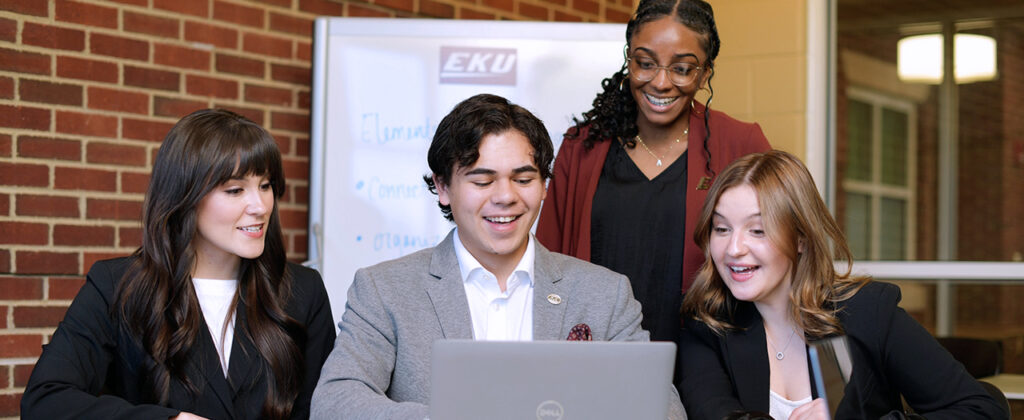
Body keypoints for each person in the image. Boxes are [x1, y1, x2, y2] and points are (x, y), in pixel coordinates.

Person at [310, 94, 685, 419]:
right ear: (442, 187)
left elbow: (663, 409)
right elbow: (335, 402)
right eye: (482, 180)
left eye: (523, 179)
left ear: (543, 186)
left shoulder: (605, 294)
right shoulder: (384, 290)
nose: (505, 196)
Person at [21, 109, 337, 420]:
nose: (260, 206)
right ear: (185, 195)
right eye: (235, 190)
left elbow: (323, 410)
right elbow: (46, 401)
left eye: (266, 185)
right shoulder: (117, 286)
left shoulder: (303, 290)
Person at [676, 150, 1008, 419]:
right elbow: (713, 409)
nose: (733, 248)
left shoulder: (868, 312)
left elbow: (983, 408)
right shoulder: (707, 325)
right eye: (721, 229)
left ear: (801, 239)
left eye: (758, 230)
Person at [536, 0, 771, 346]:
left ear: (705, 73)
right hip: (594, 355)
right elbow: (548, 263)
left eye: (682, 68)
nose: (661, 83)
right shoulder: (581, 147)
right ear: (628, 60)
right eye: (645, 64)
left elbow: (775, 252)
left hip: (708, 357)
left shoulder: (741, 144)